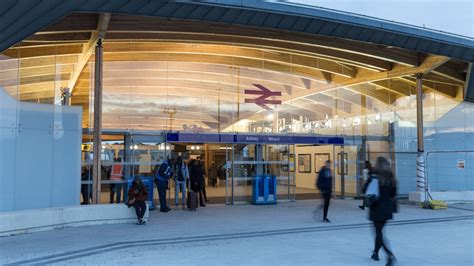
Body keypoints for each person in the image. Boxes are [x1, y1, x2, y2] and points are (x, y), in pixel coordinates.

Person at [369, 157, 397, 266]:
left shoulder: (374, 175)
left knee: (378, 232)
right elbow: (393, 193)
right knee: (379, 231)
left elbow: (365, 189)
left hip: (376, 207)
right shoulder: (391, 176)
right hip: (387, 209)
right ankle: (375, 253)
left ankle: (389, 254)